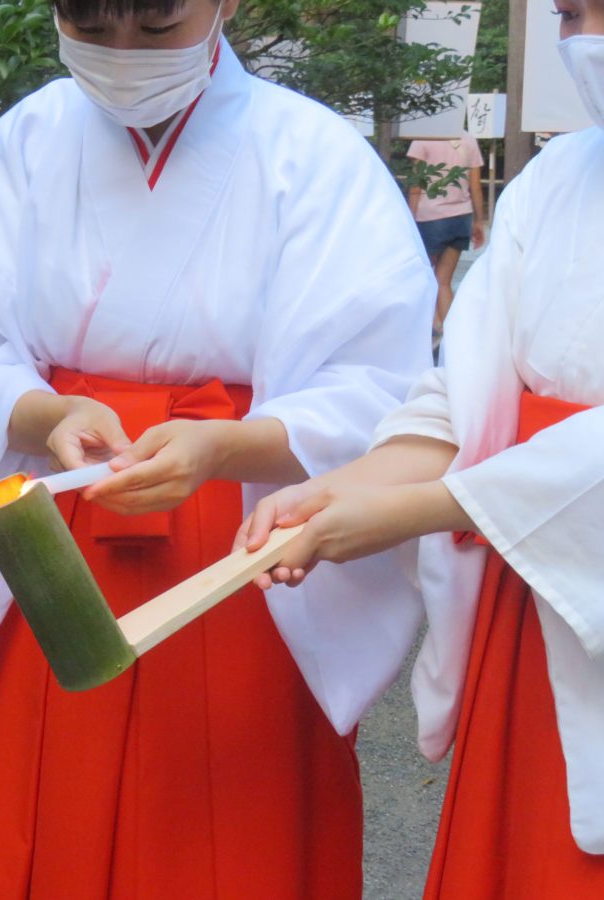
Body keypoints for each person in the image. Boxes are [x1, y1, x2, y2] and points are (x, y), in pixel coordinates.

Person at [0, 1, 435, 896]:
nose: (121, 55)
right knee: (59, 795)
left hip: (246, 544)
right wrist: (44, 414)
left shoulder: (313, 154)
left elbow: (382, 383)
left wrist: (228, 444)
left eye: (155, 27)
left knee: (233, 812)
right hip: (65, 530)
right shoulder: (20, 145)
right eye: (91, 26)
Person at [237, 1, 604, 894]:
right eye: (569, 13)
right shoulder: (560, 175)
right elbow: (468, 388)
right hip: (544, 579)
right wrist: (351, 485)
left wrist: (416, 510)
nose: (584, 39)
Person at [406, 131, 486, 345]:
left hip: (430, 217)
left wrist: (409, 220)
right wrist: (479, 221)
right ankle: (451, 335)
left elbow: (417, 185)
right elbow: (475, 187)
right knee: (443, 281)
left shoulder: (424, 137)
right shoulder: (468, 140)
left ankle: (427, 329)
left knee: (424, 277)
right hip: (461, 217)